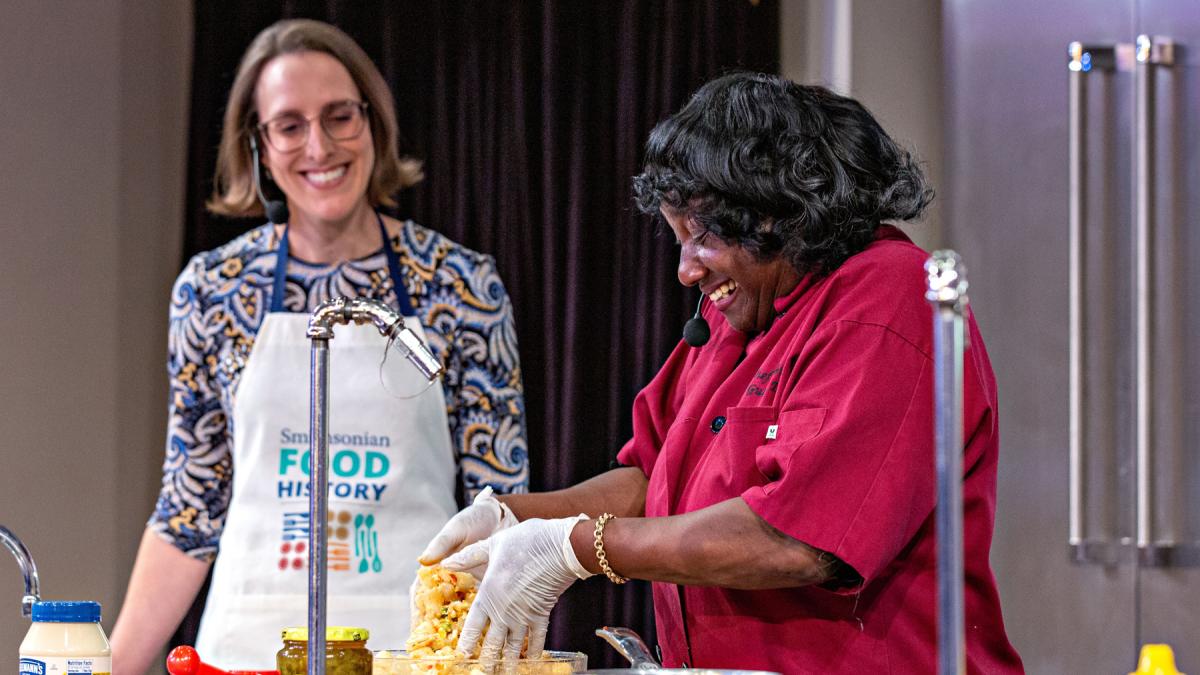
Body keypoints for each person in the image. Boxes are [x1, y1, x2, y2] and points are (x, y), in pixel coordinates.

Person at [416, 72, 1024, 674]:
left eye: (700, 238)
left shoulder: (887, 296)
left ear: (778, 214)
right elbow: (653, 477)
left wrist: (572, 548)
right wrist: (518, 518)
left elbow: (796, 541)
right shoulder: (739, 309)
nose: (685, 271)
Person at [110, 19, 528, 673]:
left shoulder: (459, 283)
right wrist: (111, 667)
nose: (320, 146)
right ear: (258, 144)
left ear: (374, 124)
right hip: (244, 649)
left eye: (340, 117)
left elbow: (500, 508)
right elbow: (189, 510)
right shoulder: (213, 291)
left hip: (408, 650)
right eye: (289, 125)